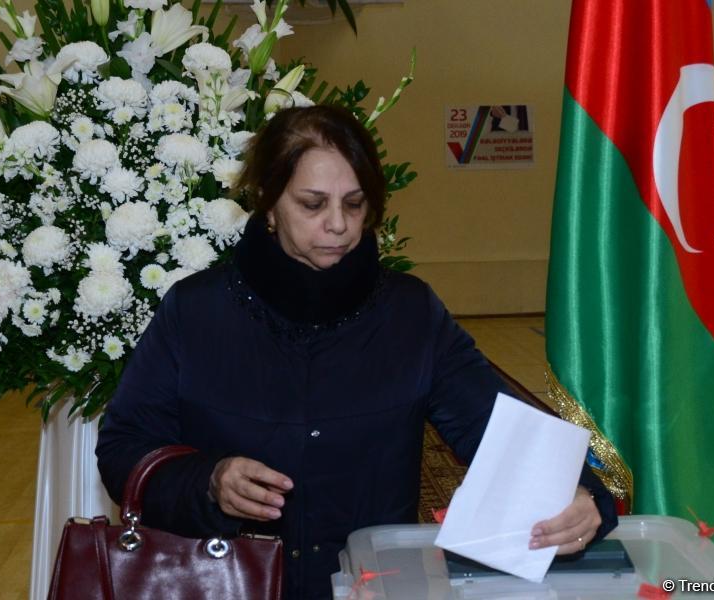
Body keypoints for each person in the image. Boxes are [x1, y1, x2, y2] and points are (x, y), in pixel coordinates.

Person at [96, 105, 618, 600]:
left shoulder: (411, 312)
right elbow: (123, 447)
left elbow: (497, 423)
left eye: (354, 203)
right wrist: (208, 482)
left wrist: (577, 493)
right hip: (222, 581)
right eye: (312, 203)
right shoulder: (196, 311)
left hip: (370, 584)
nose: (339, 224)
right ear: (269, 204)